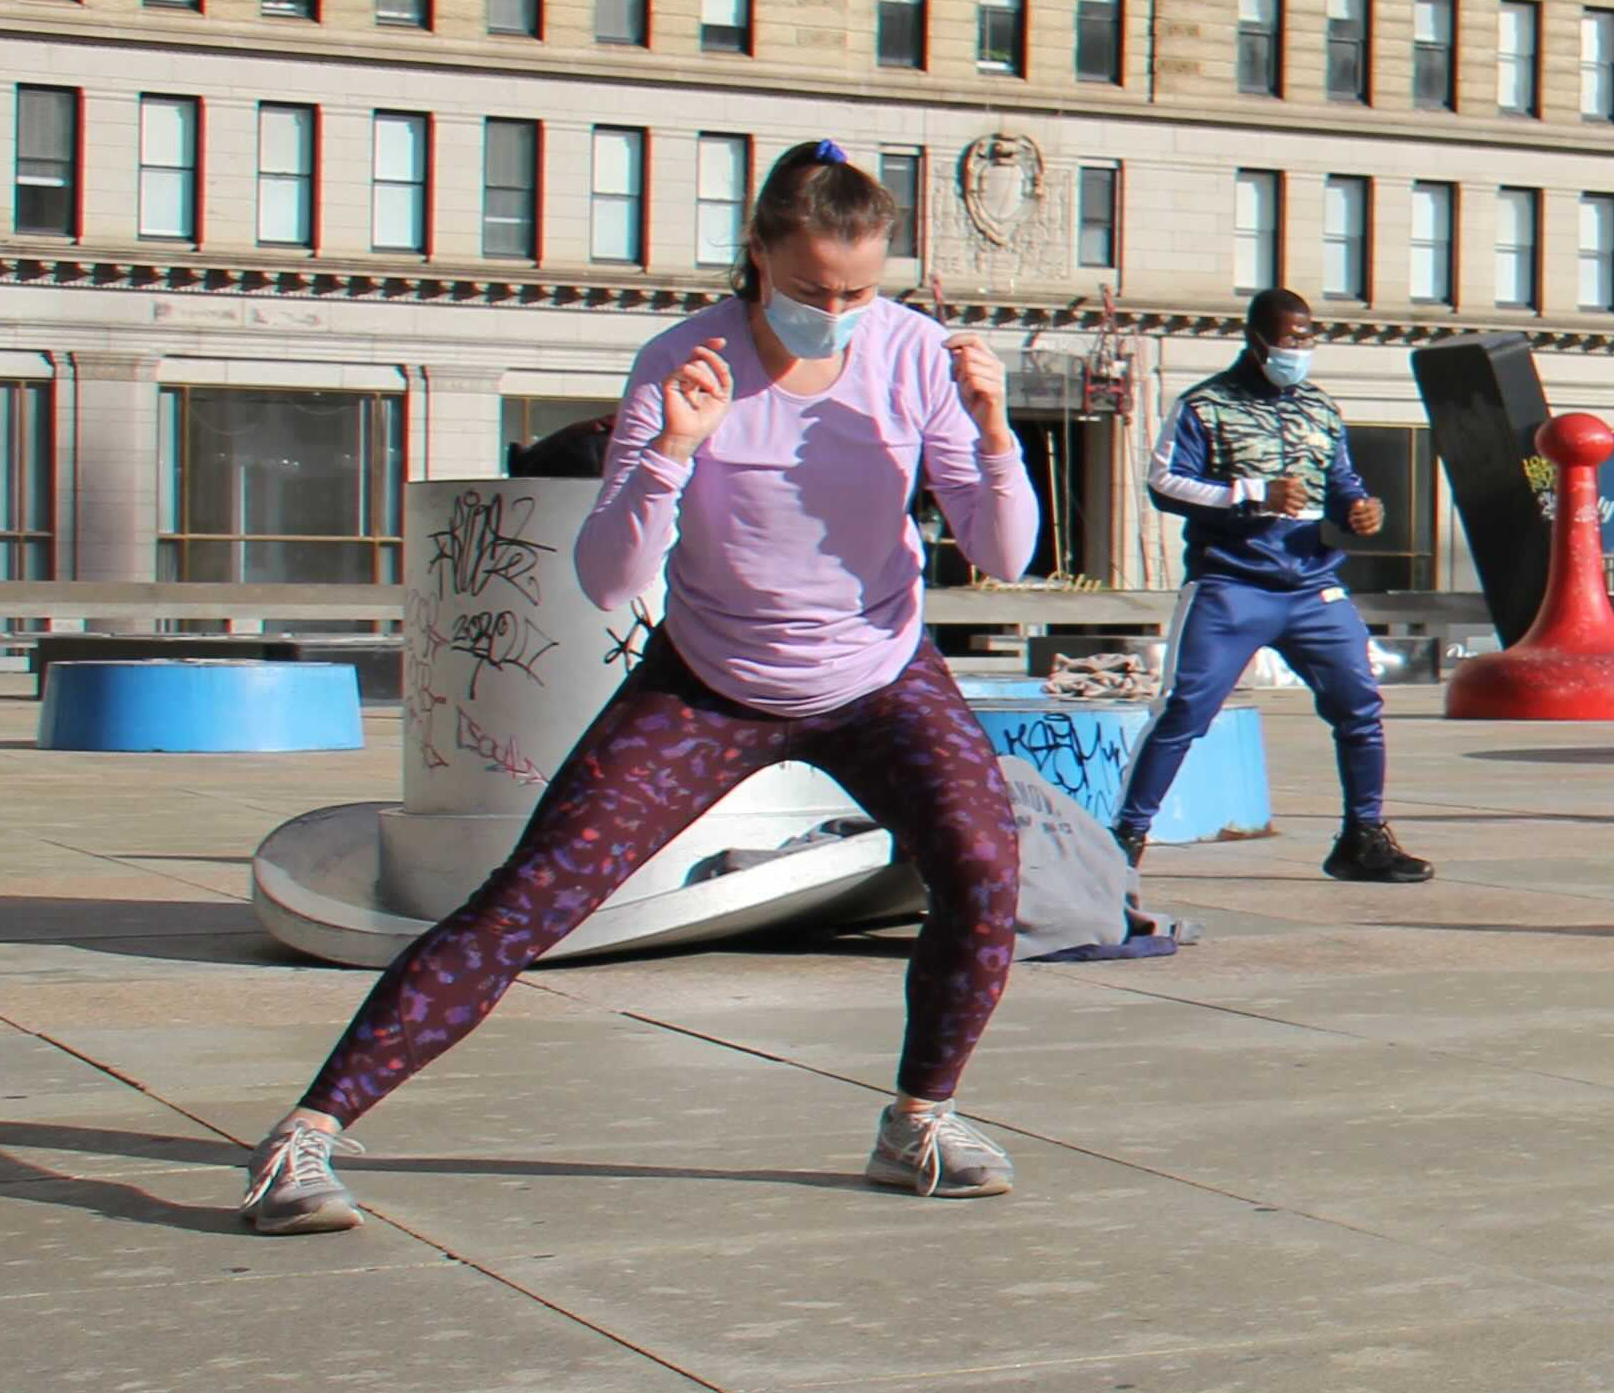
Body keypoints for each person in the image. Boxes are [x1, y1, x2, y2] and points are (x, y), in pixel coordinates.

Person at [237, 146, 1042, 1235]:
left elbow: (1002, 557)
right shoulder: (684, 359)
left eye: (861, 290)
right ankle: (307, 1137)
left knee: (986, 868)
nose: (839, 314)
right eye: (812, 292)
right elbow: (610, 577)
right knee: (532, 897)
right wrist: (672, 449)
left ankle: (920, 1123)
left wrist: (993, 429)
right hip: (710, 680)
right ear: (757, 258)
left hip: (879, 673)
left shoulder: (909, 357)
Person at [1115, 288, 1433, 885]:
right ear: (1258, 339)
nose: (1301, 349)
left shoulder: (1319, 407)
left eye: (1309, 337)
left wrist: (1363, 510)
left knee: (1360, 707)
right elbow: (1164, 484)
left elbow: (1341, 482)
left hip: (1312, 586)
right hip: (1231, 585)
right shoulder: (1205, 405)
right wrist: (1249, 495)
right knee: (1185, 710)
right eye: (1292, 338)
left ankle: (1362, 837)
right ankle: (1126, 838)